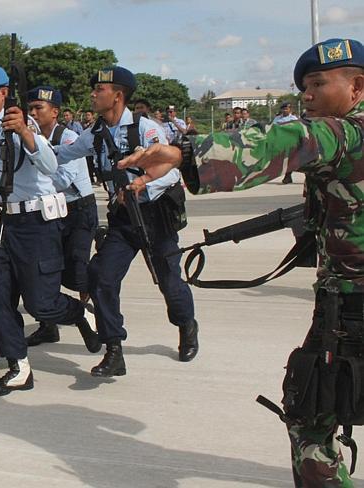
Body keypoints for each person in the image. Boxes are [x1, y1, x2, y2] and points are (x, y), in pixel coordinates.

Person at [119, 38, 364, 487]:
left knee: (311, 419)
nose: (305, 95)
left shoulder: (347, 132)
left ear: (357, 87)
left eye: (316, 83)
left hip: (351, 308)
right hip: (343, 304)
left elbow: (289, 140)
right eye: (303, 87)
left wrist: (186, 154)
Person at [55, 66, 199, 378]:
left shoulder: (147, 130)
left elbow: (173, 171)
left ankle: (186, 324)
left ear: (118, 96)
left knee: (169, 281)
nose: (93, 95)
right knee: (101, 276)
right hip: (123, 219)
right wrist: (29, 145)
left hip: (155, 214)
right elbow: (62, 155)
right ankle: (113, 349)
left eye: (100, 90)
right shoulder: (93, 133)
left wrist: (143, 182)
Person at [0, 65, 97, 397]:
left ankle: (80, 313)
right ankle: (19, 367)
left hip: (38, 225)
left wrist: (25, 133)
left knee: (42, 305)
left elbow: (51, 166)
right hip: (7, 225)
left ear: (2, 94)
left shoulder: (24, 126)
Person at [24, 85, 98, 347]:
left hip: (77, 210)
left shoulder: (67, 138)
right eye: (30, 108)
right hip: (50, 211)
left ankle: (93, 316)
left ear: (54, 112)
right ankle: (48, 326)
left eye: (38, 108)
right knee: (48, 270)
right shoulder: (30, 138)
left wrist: (33, 178)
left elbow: (65, 178)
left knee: (79, 269)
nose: (32, 113)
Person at [273, 102, 300, 184]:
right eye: (283, 109)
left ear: (290, 109)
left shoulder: (294, 119)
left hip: (291, 142)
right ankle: (287, 175)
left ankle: (288, 176)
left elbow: (297, 130)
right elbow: (273, 128)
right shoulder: (277, 119)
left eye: (286, 109)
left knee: (289, 159)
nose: (285, 110)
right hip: (280, 142)